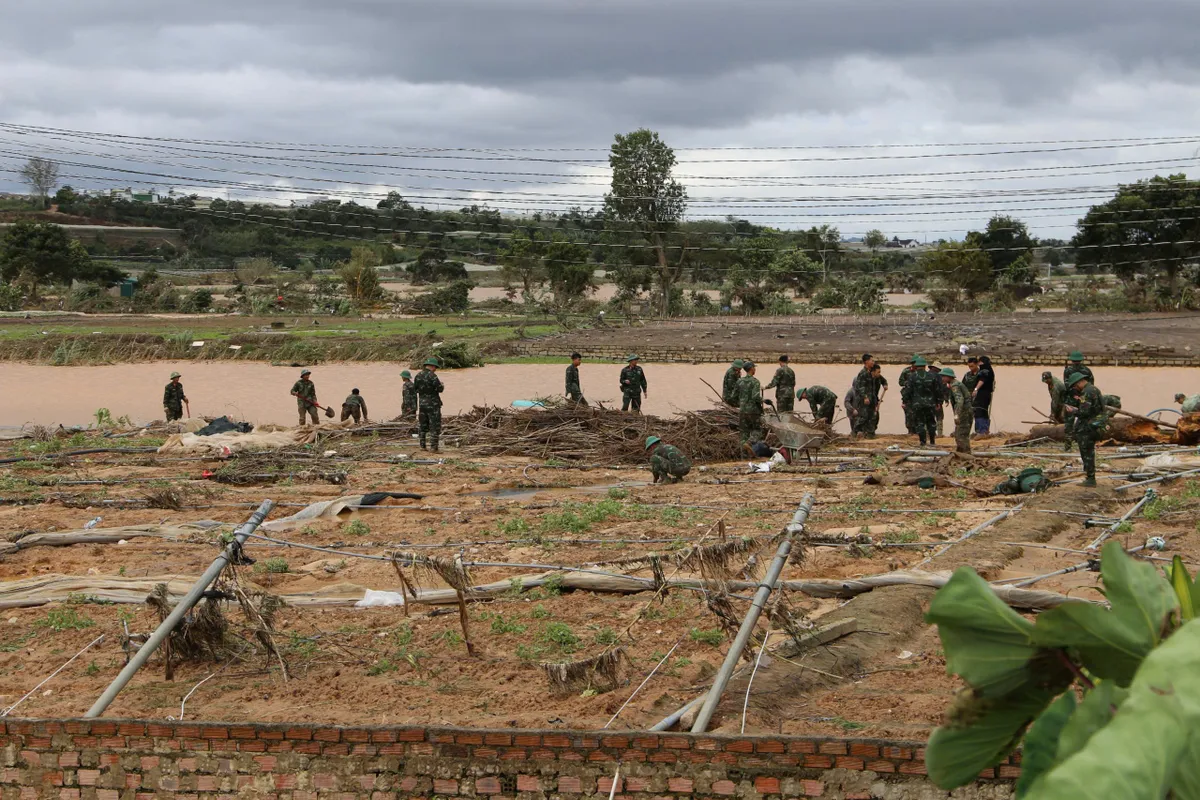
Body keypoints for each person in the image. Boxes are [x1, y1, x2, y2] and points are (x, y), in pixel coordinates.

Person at [1065, 372, 1106, 487]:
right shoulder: (1094, 389)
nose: (1074, 388)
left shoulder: (1086, 393)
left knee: (1087, 452)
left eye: (1074, 386)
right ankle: (1090, 476)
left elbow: (1084, 412)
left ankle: (1090, 478)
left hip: (1088, 427)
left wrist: (1073, 410)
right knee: (1090, 451)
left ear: (1079, 382)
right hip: (1095, 425)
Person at [901, 356, 939, 446]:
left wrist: (904, 401)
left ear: (916, 366)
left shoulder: (912, 377)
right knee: (931, 422)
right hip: (930, 403)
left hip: (917, 404)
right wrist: (939, 402)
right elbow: (937, 390)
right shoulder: (932, 376)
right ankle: (932, 441)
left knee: (920, 423)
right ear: (925, 366)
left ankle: (923, 442)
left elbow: (908, 391)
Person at [414, 357, 445, 452]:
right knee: (434, 425)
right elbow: (440, 389)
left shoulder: (418, 376)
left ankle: (422, 446)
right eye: (435, 367)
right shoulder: (433, 376)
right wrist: (442, 385)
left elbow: (416, 389)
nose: (435, 369)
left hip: (422, 404)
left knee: (422, 425)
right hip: (433, 404)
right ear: (432, 366)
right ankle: (433, 448)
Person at [941, 368, 973, 454]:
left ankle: (964, 454)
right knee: (963, 434)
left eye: (943, 376)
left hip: (964, 412)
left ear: (949, 377)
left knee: (960, 435)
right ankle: (964, 453)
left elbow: (959, 400)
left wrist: (956, 415)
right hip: (967, 411)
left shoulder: (955, 385)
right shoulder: (955, 384)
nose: (942, 378)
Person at [735, 361, 765, 447]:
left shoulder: (739, 381)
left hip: (742, 410)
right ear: (751, 369)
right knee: (757, 430)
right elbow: (755, 397)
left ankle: (743, 454)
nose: (755, 369)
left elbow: (733, 396)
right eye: (754, 368)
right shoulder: (755, 382)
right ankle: (749, 443)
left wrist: (741, 403)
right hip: (753, 411)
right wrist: (763, 400)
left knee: (744, 432)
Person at [851, 353, 876, 438]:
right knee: (863, 417)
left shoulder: (870, 372)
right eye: (872, 361)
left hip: (871, 398)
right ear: (866, 362)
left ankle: (869, 434)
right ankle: (854, 432)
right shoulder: (863, 373)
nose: (873, 362)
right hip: (864, 399)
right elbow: (860, 387)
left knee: (871, 416)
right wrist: (865, 397)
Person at [860, 364, 887, 438]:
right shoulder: (866, 377)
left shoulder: (878, 377)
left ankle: (871, 432)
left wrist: (885, 385)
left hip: (874, 398)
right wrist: (865, 398)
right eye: (878, 372)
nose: (879, 374)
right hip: (866, 399)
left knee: (875, 415)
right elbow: (860, 388)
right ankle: (860, 432)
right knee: (865, 416)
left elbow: (884, 381)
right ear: (873, 372)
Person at [897, 355, 921, 434]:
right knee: (908, 413)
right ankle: (910, 430)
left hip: (918, 395)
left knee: (918, 413)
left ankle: (918, 430)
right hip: (907, 395)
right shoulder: (906, 371)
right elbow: (900, 382)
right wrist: (908, 383)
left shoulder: (921, 372)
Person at [972, 356, 995, 435]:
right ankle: (985, 430)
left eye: (979, 362)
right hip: (987, 394)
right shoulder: (990, 369)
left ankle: (981, 431)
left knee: (979, 410)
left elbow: (982, 380)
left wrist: (976, 389)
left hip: (983, 393)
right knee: (984, 411)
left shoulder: (984, 369)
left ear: (982, 362)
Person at [928, 360, 947, 437]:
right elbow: (940, 389)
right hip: (936, 401)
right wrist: (940, 401)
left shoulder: (926, 375)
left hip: (926, 401)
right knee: (939, 417)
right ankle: (939, 434)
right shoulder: (939, 377)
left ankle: (929, 433)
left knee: (928, 417)